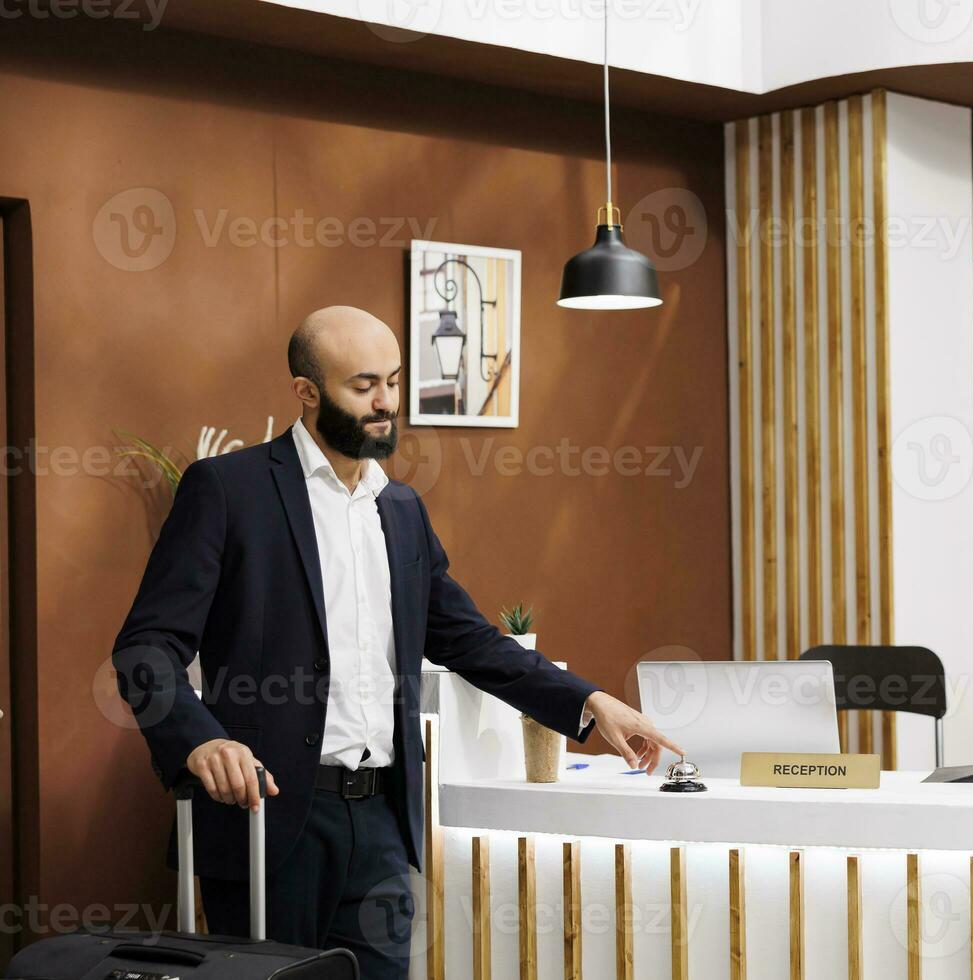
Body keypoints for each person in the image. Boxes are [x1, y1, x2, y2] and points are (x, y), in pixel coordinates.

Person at [112, 305, 681, 979]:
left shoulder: (402, 509)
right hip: (269, 822)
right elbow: (145, 649)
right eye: (363, 386)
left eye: (394, 381)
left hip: (383, 824)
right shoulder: (229, 491)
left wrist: (587, 701)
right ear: (307, 391)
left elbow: (467, 639)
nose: (386, 403)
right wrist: (199, 739)